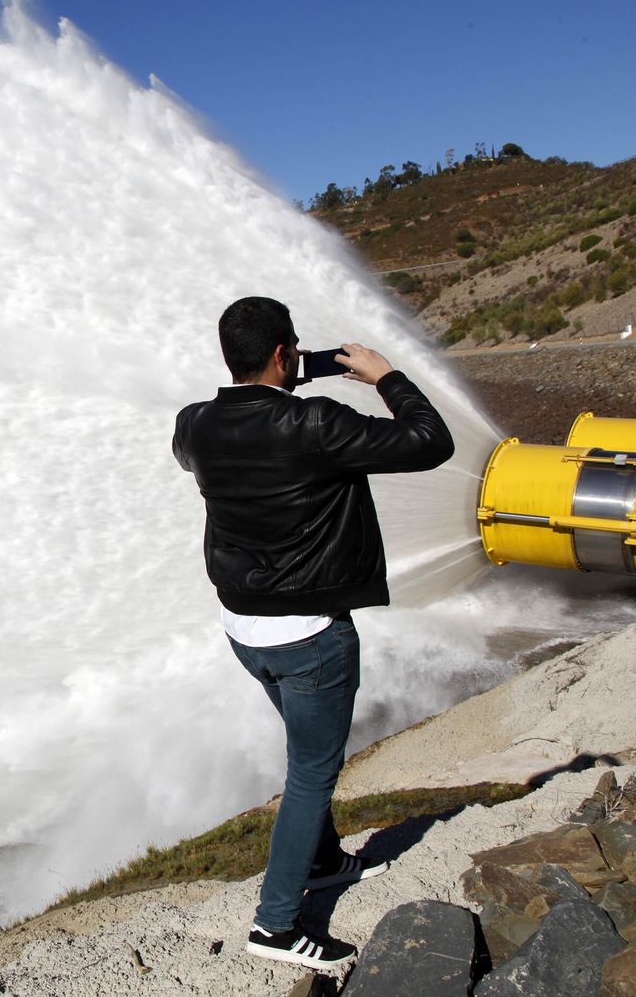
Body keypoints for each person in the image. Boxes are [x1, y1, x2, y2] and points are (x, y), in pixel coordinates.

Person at [171, 296, 454, 969]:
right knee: (311, 774)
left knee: (304, 757)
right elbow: (429, 443)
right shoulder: (317, 425)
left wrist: (295, 370)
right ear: (282, 354)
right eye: (291, 350)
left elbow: (251, 419)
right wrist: (385, 376)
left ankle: (325, 863)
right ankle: (274, 927)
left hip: (245, 631)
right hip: (310, 638)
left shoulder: (194, 428)